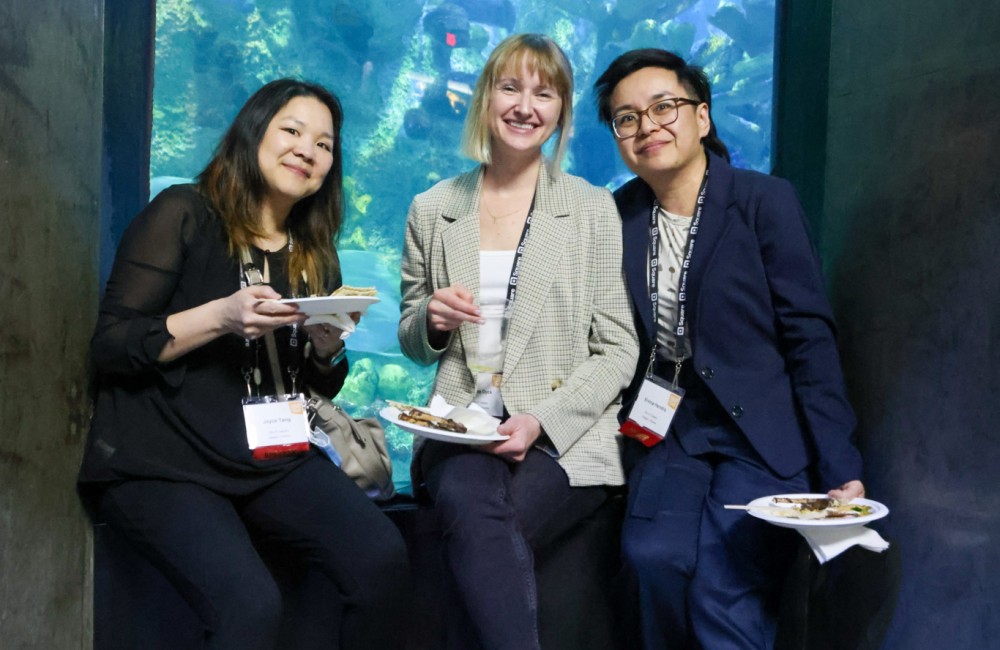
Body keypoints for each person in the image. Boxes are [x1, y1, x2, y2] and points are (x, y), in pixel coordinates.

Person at [78, 79, 409, 649]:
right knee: (251, 608)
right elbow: (111, 345)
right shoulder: (184, 212)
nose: (308, 150)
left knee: (383, 559)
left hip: (267, 457)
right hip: (163, 460)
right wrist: (219, 317)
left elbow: (306, 380)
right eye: (292, 130)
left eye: (325, 144)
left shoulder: (313, 250)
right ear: (253, 131)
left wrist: (329, 349)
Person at [593, 49, 866, 649]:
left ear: (702, 118)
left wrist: (841, 467)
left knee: (722, 587)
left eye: (664, 107)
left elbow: (810, 339)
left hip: (760, 434)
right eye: (626, 118)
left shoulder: (764, 201)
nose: (647, 126)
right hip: (670, 430)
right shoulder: (619, 216)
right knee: (649, 558)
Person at [398, 33, 639, 650]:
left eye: (545, 92)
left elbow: (618, 348)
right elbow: (411, 337)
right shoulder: (434, 208)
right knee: (476, 516)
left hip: (564, 433)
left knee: (477, 540)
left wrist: (538, 420)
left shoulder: (589, 209)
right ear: (486, 98)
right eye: (511, 87)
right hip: (460, 426)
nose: (525, 105)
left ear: (560, 112)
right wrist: (431, 318)